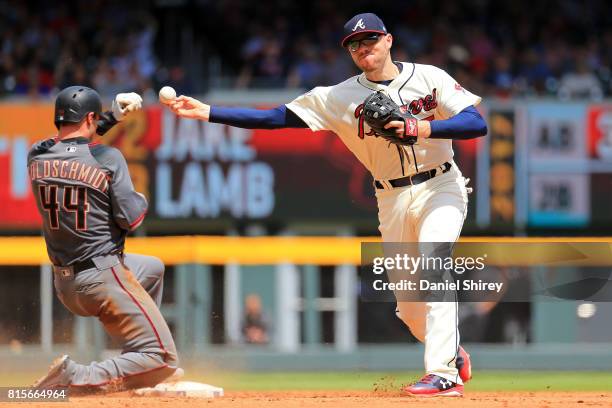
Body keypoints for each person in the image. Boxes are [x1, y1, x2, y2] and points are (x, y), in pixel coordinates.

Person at [164, 13, 487, 397]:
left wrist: (421, 127)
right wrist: (208, 112)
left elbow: (475, 122)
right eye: (354, 44)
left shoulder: (428, 77)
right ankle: (451, 351)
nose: (362, 47)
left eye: (369, 39)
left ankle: (443, 373)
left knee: (434, 264)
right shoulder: (336, 97)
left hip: (442, 186)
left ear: (388, 40)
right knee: (409, 307)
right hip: (392, 196)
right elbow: (273, 119)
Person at [29, 86, 180, 393]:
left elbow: (69, 142)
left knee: (151, 269)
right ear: (89, 117)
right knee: (163, 358)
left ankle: (133, 358)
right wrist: (140, 197)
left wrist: (110, 117)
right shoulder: (108, 158)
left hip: (66, 284)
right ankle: (77, 374)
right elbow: (132, 218)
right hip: (103, 277)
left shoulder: (36, 155)